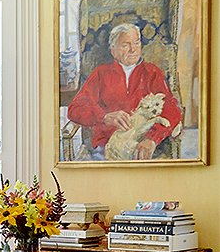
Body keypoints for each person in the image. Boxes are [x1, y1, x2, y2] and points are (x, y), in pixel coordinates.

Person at [66, 23, 182, 160]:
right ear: (113, 50)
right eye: (125, 45)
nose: (133, 49)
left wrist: (152, 139)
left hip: (143, 149)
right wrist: (104, 117)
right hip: (106, 147)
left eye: (136, 42)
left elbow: (172, 109)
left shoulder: (152, 72)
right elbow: (75, 109)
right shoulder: (101, 73)